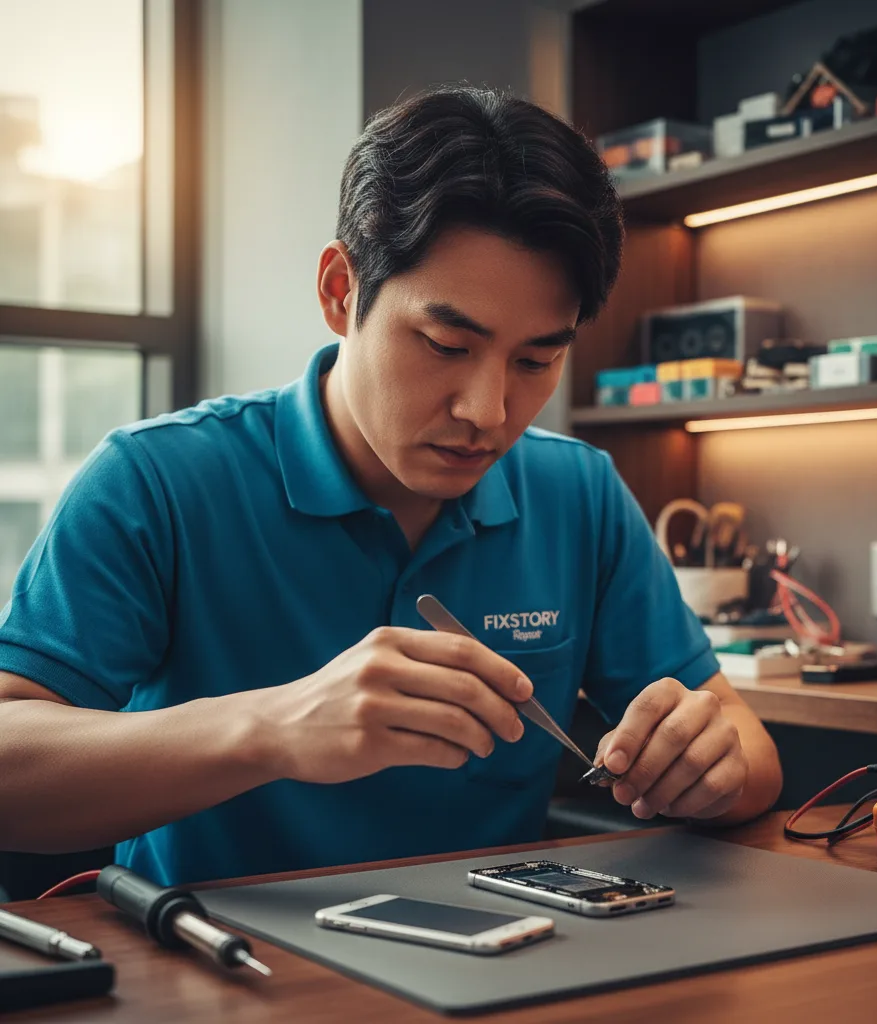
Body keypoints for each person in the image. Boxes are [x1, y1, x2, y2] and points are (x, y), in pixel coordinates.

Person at [0, 86, 781, 887]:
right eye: (446, 345)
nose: (487, 412)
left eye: (535, 361)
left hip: (501, 966)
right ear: (342, 291)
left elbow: (748, 752)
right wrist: (273, 727)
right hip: (221, 972)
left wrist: (713, 764)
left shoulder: (578, 493)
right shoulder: (156, 480)